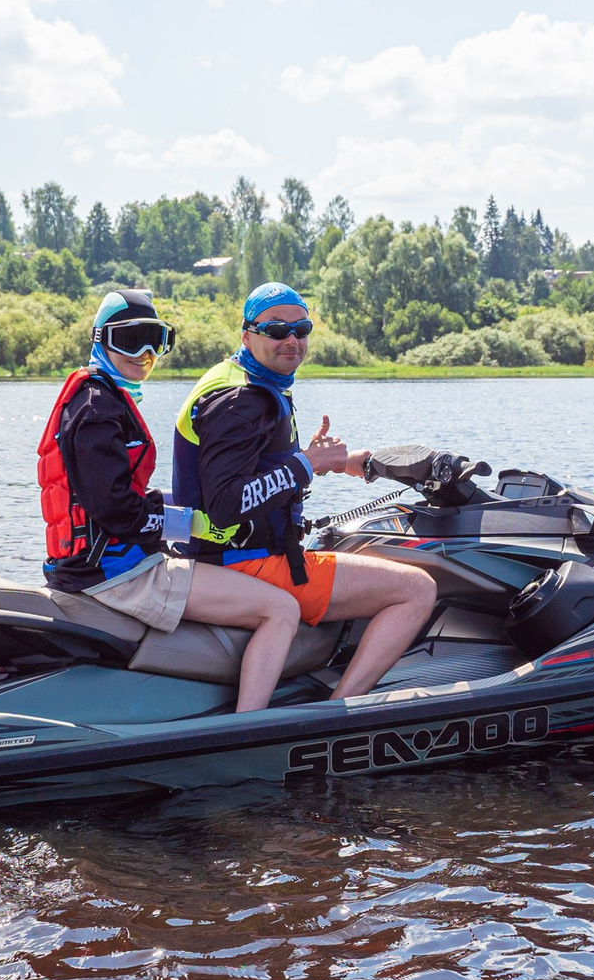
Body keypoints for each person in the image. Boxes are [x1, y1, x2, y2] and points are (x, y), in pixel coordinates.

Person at [39, 288, 306, 714]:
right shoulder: (97, 409)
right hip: (115, 574)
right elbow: (116, 510)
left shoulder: (100, 396)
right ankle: (248, 727)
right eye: (130, 340)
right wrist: (191, 524)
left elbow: (111, 498)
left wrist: (179, 511)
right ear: (100, 339)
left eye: (156, 340)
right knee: (281, 609)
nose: (145, 353)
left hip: (100, 564)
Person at [169, 281, 436, 700]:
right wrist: (306, 464)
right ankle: (339, 712)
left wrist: (340, 463)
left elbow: (256, 465)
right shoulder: (241, 400)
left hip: (236, 556)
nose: (291, 340)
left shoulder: (243, 379)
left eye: (302, 328)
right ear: (248, 335)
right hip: (244, 562)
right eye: (276, 331)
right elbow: (225, 505)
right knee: (417, 588)